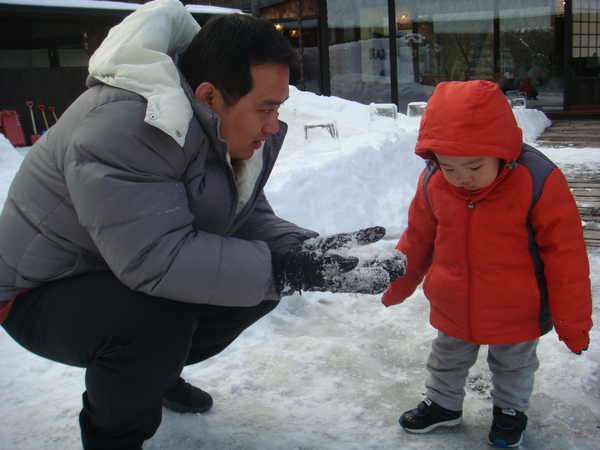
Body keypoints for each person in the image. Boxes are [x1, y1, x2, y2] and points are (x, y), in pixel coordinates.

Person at [0, 1, 405, 448]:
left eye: (279, 108)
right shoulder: (124, 126)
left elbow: (243, 217)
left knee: (252, 291)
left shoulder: (222, 126)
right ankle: (112, 434)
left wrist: (300, 250)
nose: (274, 126)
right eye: (265, 108)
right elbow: (156, 258)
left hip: (116, 265)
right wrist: (280, 268)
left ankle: (153, 374)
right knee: (157, 324)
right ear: (210, 95)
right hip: (39, 289)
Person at [382, 80, 592, 448]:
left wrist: (572, 324)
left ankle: (510, 411)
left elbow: (566, 256)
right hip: (454, 302)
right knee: (446, 357)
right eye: (448, 166)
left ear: (503, 151)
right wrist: (396, 284)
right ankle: (443, 404)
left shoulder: (537, 179)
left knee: (513, 366)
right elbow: (418, 238)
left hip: (517, 308)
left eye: (474, 166)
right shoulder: (434, 181)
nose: (461, 176)